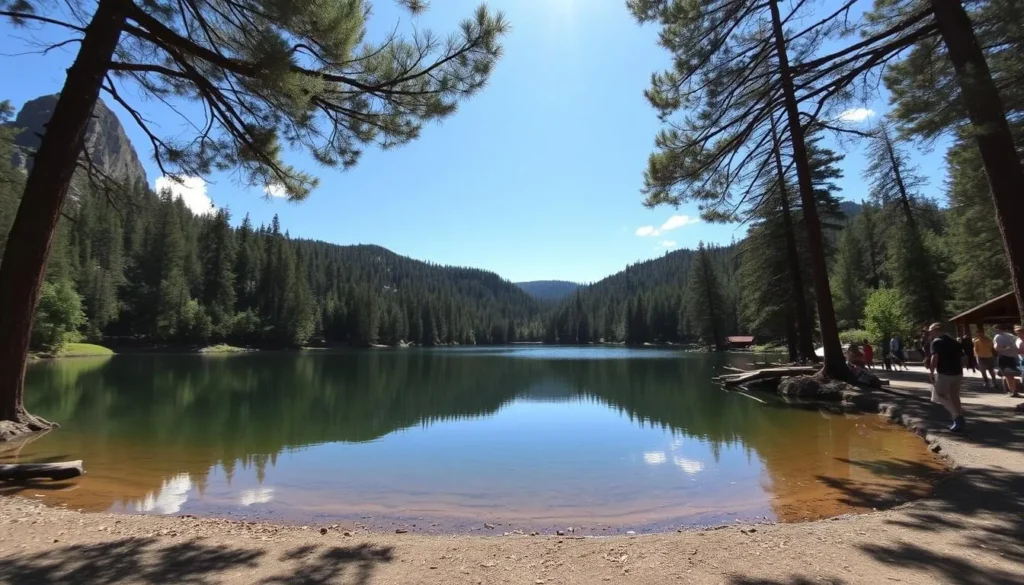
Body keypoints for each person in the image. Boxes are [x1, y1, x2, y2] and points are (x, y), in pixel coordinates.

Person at [928, 323, 967, 432]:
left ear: (936, 330)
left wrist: (931, 372)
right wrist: (960, 368)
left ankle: (957, 417)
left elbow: (934, 357)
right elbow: (964, 358)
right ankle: (959, 417)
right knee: (954, 395)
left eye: (930, 330)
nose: (929, 333)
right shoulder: (954, 342)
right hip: (958, 373)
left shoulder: (936, 342)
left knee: (938, 395)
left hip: (944, 373)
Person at [993, 324, 1020, 397]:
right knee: (1011, 375)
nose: (995, 331)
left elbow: (996, 348)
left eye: (995, 329)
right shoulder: (1011, 336)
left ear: (997, 329)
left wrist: (1005, 349)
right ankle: (1014, 391)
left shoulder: (997, 337)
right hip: (1012, 357)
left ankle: (1011, 391)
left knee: (1007, 375)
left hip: (1004, 357)